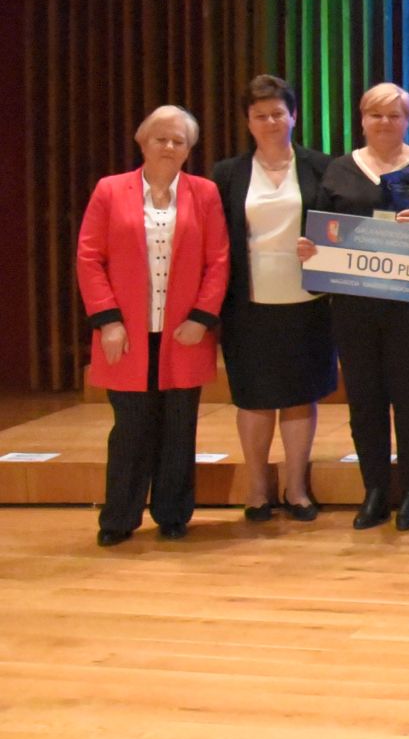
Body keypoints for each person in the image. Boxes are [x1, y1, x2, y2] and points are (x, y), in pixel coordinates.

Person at [297, 83, 409, 532]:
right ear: (363, 119)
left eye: (395, 115)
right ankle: (374, 489)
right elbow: (319, 230)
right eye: (376, 114)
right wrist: (309, 249)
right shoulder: (339, 169)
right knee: (365, 399)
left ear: (408, 120)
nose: (385, 122)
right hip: (354, 308)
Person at [76, 106, 228, 546]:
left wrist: (201, 317)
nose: (169, 146)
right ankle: (119, 518)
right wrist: (108, 321)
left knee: (179, 429)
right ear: (142, 142)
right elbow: (89, 258)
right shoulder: (110, 190)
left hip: (185, 333)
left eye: (179, 141)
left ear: (189, 150)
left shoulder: (205, 193)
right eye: (161, 138)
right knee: (131, 429)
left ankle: (173, 514)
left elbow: (219, 261)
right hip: (126, 334)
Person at [212, 76, 337, 522]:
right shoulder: (226, 174)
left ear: (293, 116)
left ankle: (297, 487)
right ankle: (257, 488)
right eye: (260, 115)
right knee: (255, 397)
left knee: (301, 395)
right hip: (247, 304)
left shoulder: (322, 167)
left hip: (308, 300)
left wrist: (324, 249)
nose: (269, 122)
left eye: (277, 113)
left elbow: (340, 229)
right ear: (248, 121)